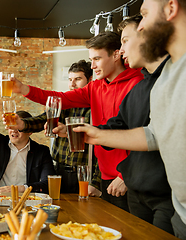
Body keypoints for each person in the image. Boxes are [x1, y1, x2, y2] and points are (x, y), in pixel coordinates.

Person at [68, 1, 186, 237]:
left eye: (144, 15)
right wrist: (94, 134)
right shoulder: (163, 79)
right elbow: (154, 134)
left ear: (171, 8)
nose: (141, 27)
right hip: (178, 211)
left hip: (162, 198)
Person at [11, 31, 144, 212]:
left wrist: (125, 175)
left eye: (97, 59)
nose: (93, 65)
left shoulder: (137, 83)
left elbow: (145, 134)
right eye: (91, 59)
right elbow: (59, 98)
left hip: (127, 177)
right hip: (105, 176)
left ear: (116, 55)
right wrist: (25, 89)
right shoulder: (95, 87)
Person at [5, 60, 101, 196]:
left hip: (84, 173)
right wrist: (23, 124)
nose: (72, 84)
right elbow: (41, 120)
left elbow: (102, 147)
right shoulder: (63, 103)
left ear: (90, 80)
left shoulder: (96, 108)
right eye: (70, 79)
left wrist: (95, 182)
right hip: (59, 171)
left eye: (78, 79)